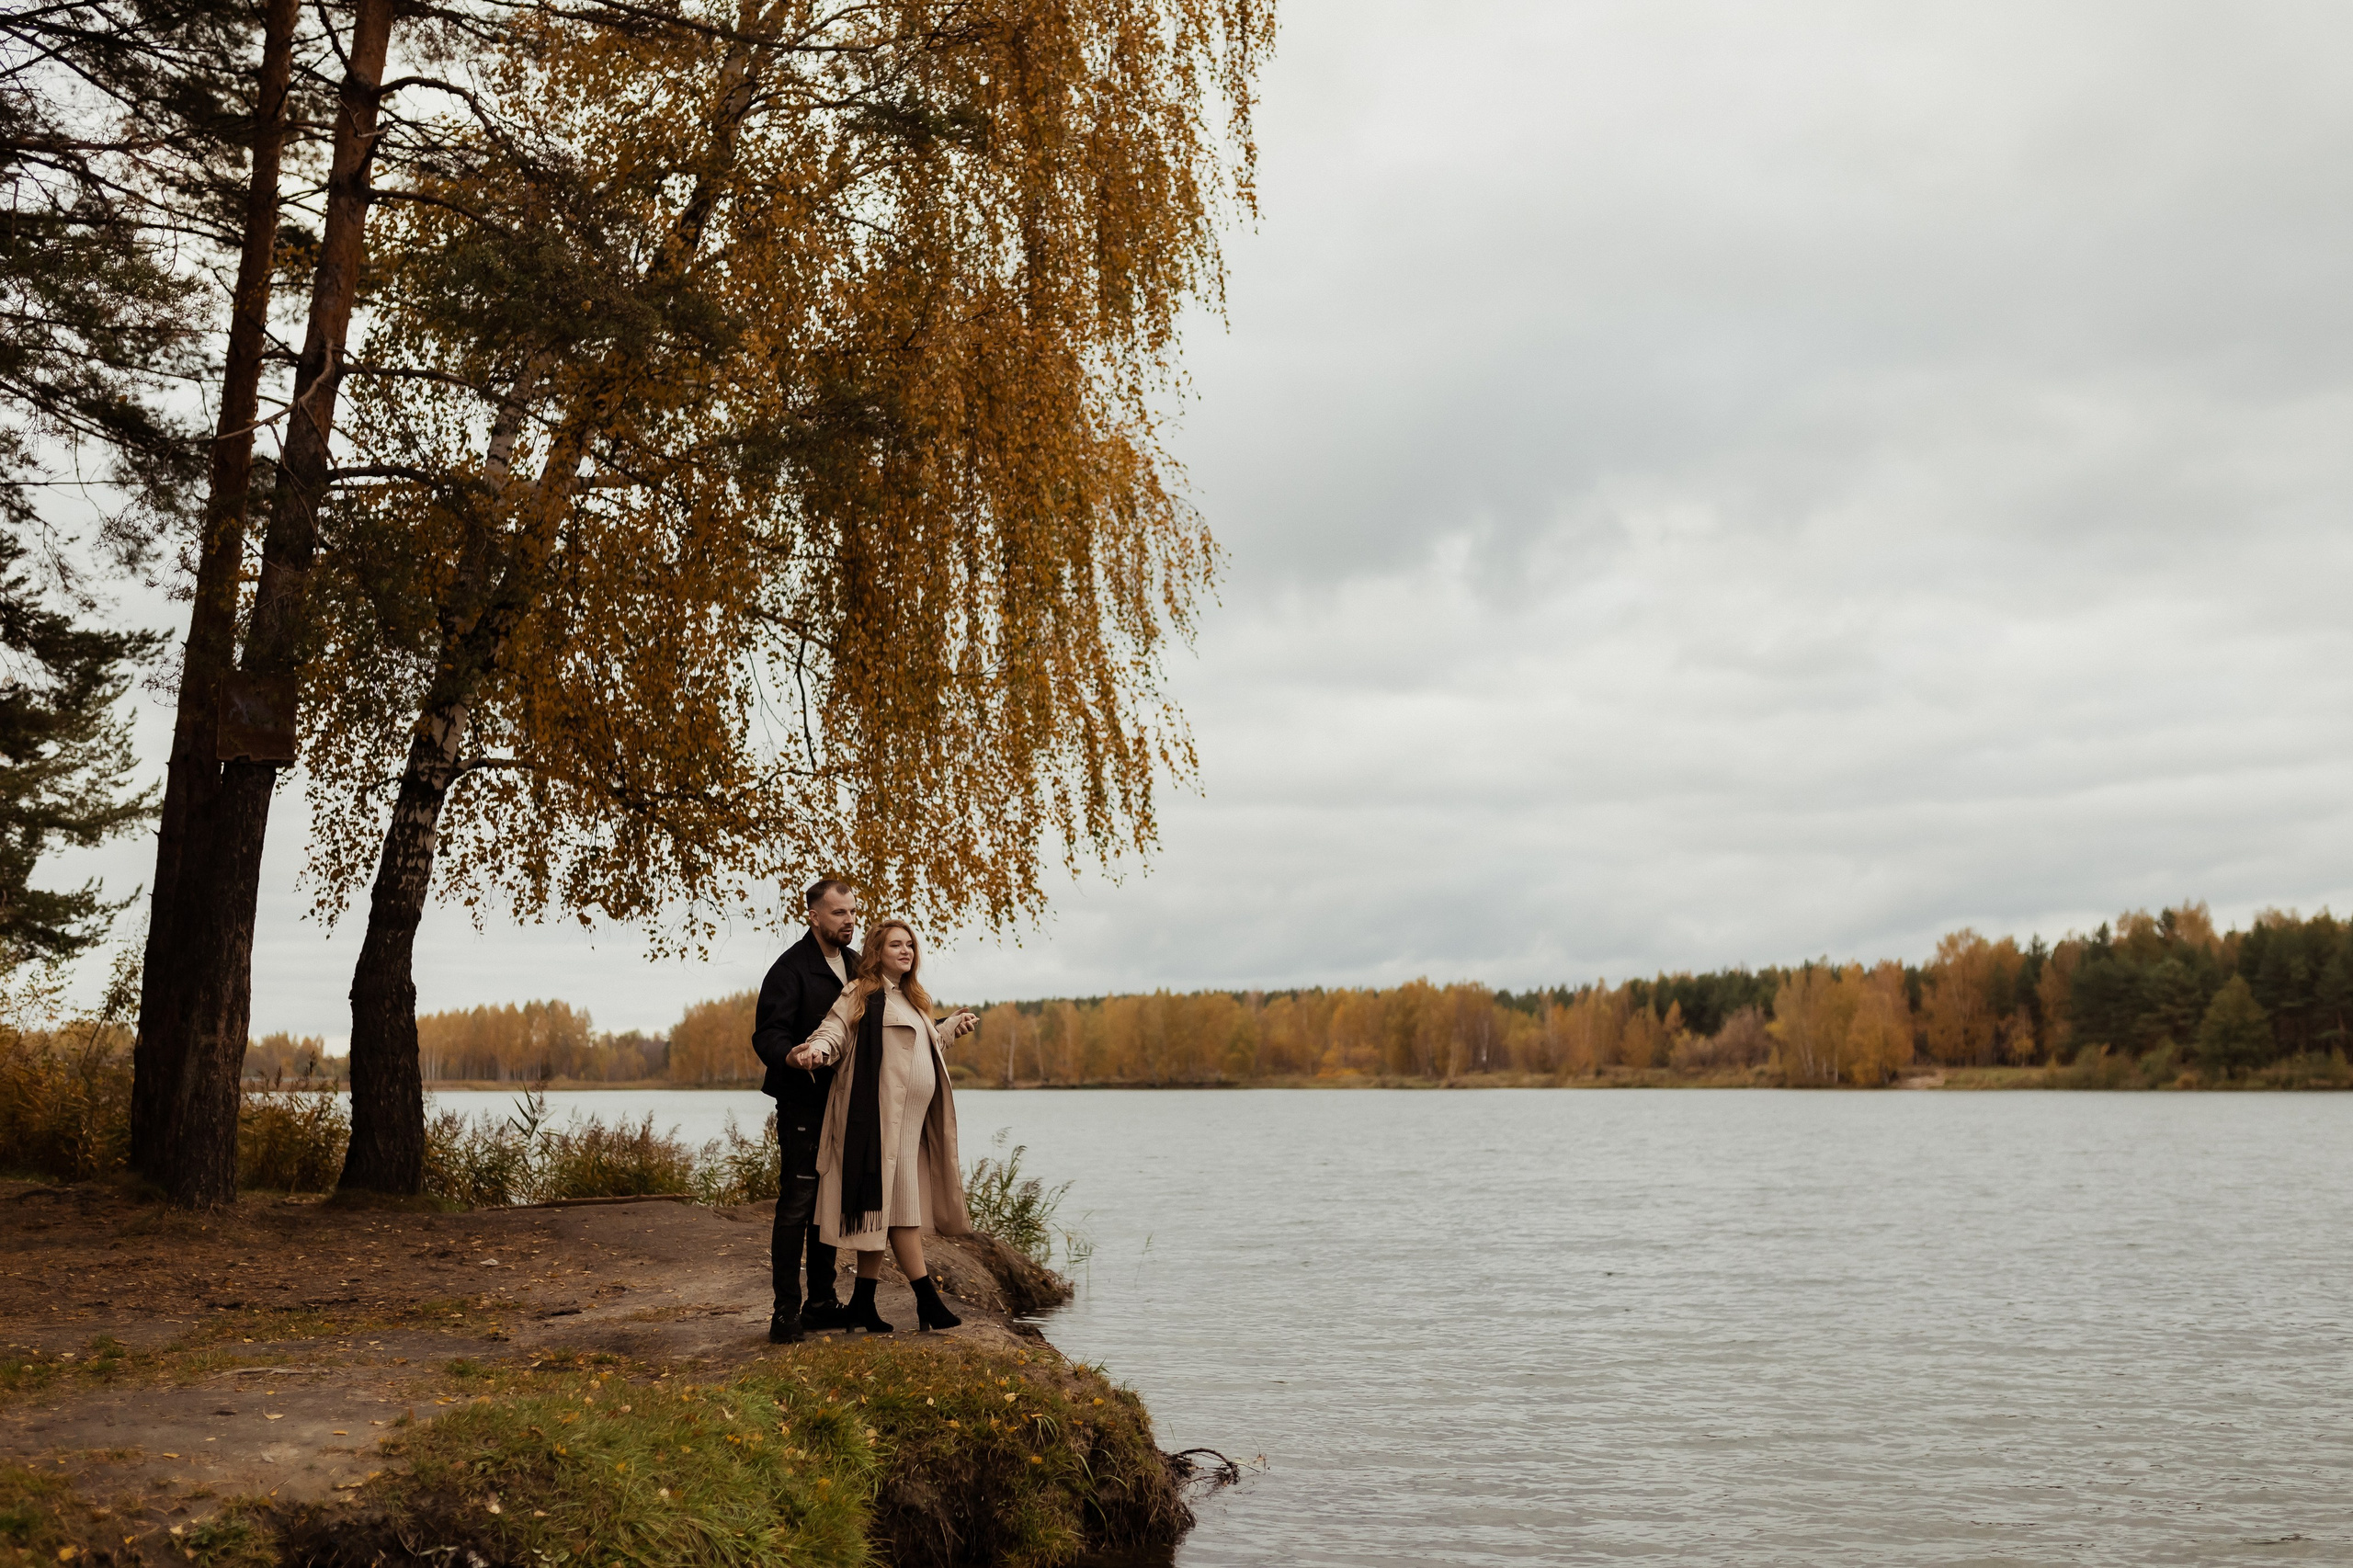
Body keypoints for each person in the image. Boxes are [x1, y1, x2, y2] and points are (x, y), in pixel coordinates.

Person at [789, 918, 979, 1333]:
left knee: (883, 1213)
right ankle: (927, 1300)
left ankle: (863, 1303)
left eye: (910, 944)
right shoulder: (860, 993)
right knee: (901, 1214)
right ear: (878, 951)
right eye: (896, 944)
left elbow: (920, 1046)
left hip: (910, 1126)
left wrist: (948, 1028)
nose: (906, 951)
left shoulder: (914, 999)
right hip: (875, 1124)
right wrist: (816, 1051)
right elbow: (833, 1031)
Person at [750, 878, 861, 1343]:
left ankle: (821, 1303)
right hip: (803, 1103)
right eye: (839, 913)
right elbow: (767, 1034)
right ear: (814, 916)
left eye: (852, 911)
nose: (849, 920)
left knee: (828, 1206)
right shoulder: (790, 968)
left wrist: (940, 1026)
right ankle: (785, 1313)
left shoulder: (858, 965)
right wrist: (791, 1056)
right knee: (797, 1206)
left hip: (846, 1104)